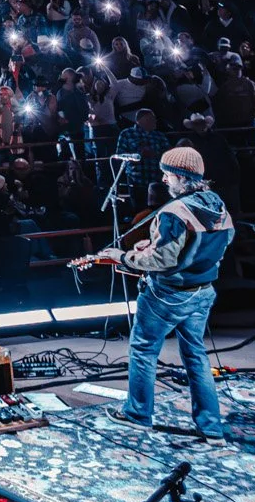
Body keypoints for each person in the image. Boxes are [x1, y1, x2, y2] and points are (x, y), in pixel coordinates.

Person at [73, 143, 232, 440]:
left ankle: (137, 414)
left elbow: (163, 261)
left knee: (144, 351)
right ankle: (211, 426)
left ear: (182, 177)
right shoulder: (216, 204)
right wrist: (157, 248)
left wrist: (123, 257)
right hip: (203, 291)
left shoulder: (174, 212)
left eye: (167, 175)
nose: (163, 180)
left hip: (167, 294)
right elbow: (215, 243)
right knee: (196, 355)